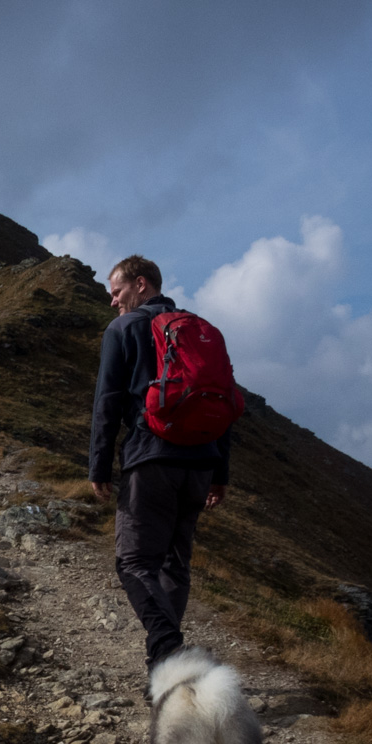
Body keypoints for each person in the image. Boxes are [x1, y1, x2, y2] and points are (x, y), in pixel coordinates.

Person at [87, 255, 230, 672]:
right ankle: (163, 666)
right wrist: (219, 473)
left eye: (117, 292)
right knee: (174, 563)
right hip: (201, 461)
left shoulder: (123, 329)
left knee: (133, 562)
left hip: (151, 460)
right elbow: (221, 403)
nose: (113, 302)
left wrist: (99, 466)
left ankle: (168, 649)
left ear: (141, 284)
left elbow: (107, 403)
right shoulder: (202, 331)